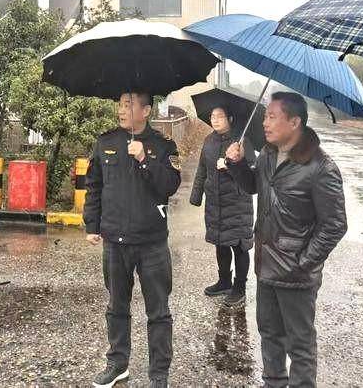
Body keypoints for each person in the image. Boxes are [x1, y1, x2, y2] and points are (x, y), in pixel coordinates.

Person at [225, 92, 347, 388]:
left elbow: (335, 225)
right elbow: (253, 186)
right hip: (266, 265)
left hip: (296, 275)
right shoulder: (268, 153)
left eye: (272, 117)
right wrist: (237, 164)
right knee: (269, 335)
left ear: (294, 122)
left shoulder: (321, 167)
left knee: (300, 345)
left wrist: (302, 263)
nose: (264, 123)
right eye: (265, 116)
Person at [84, 92, 182, 388]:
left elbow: (170, 185)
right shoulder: (106, 142)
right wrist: (92, 224)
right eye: (120, 104)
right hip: (115, 241)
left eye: (128, 105)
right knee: (116, 306)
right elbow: (94, 185)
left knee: (158, 311)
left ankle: (159, 373)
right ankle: (118, 363)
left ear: (146, 110)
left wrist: (144, 159)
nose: (121, 110)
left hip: (152, 241)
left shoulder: (164, 145)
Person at [190, 105, 255, 308]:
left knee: (239, 246)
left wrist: (231, 165)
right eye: (212, 116)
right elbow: (202, 169)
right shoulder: (209, 141)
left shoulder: (242, 141)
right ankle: (224, 281)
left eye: (220, 116)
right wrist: (196, 196)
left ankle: (240, 288)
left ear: (230, 118)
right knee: (220, 242)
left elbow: (252, 173)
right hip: (215, 202)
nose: (215, 120)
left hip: (237, 203)